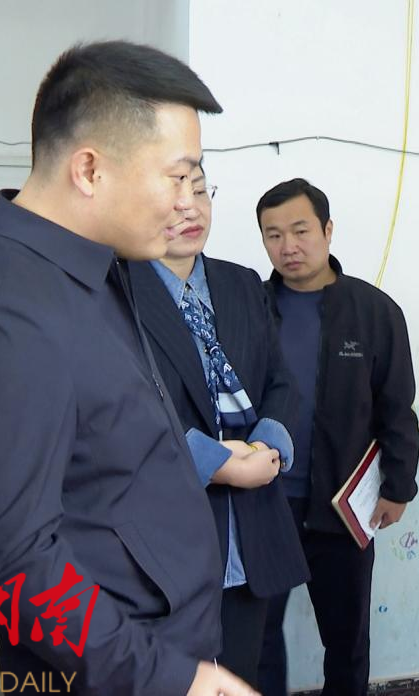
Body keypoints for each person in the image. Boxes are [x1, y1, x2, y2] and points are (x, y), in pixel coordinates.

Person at [0, 41, 257, 696]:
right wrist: (168, 677)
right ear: (89, 170)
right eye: (177, 176)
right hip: (117, 671)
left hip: (165, 641)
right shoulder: (3, 313)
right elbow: (13, 565)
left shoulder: (91, 268)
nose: (187, 201)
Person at [128, 165, 309, 688]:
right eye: (173, 189)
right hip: (165, 534)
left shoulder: (240, 283)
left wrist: (268, 445)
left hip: (251, 528)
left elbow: (279, 379)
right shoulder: (116, 286)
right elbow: (125, 410)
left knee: (243, 672)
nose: (189, 206)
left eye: (199, 189)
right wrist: (220, 463)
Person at [255, 179, 419, 696]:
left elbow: (397, 407)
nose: (288, 246)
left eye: (300, 230)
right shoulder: (251, 308)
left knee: (346, 644)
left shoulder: (374, 311)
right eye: (273, 235)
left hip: (343, 509)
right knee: (255, 639)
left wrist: (399, 487)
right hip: (264, 505)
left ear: (328, 230)